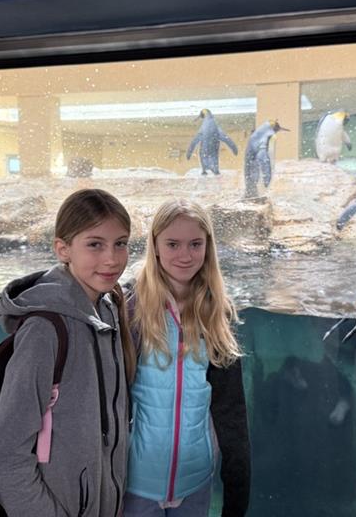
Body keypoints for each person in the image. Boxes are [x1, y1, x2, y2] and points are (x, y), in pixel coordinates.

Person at [0, 188, 136, 517]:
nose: (112, 259)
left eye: (121, 243)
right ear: (63, 249)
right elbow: (6, 459)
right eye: (95, 244)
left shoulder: (109, 308)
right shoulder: (44, 331)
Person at [124, 198, 251, 517]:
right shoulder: (129, 306)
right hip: (134, 482)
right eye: (173, 244)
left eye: (196, 244)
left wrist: (236, 497)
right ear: (155, 245)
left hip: (195, 482)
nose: (185, 255)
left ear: (208, 246)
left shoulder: (217, 312)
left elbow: (230, 409)